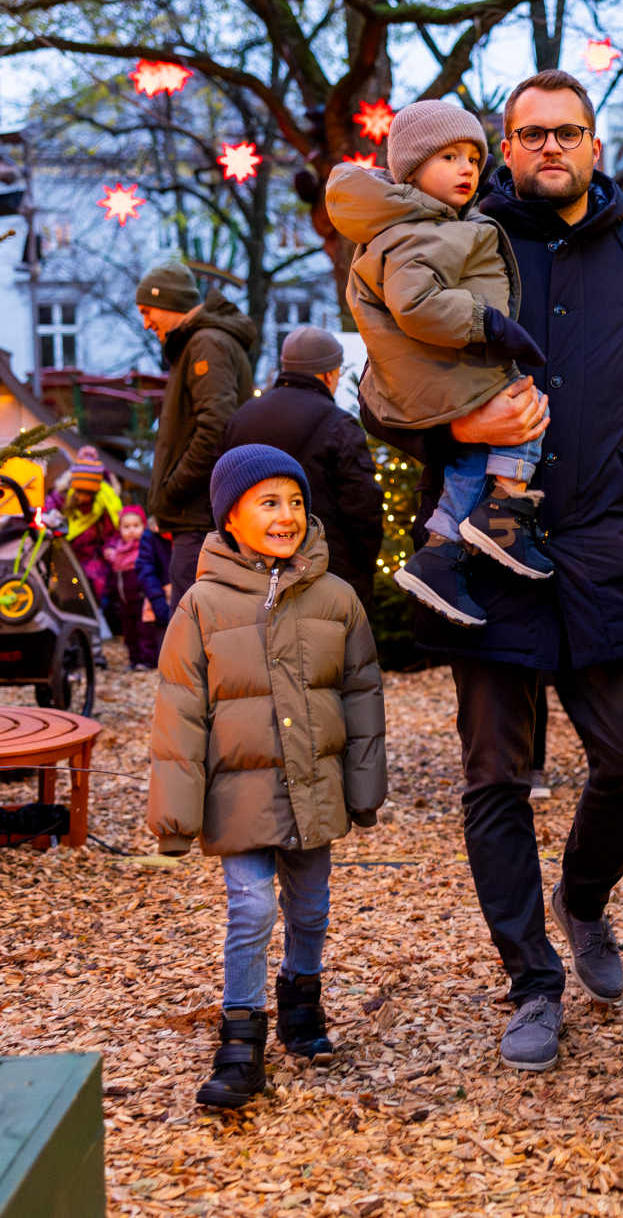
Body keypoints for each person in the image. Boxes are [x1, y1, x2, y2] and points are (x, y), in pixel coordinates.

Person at [360, 69, 623, 1073]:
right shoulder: (456, 239)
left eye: (567, 131)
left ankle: (584, 898)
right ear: (504, 149)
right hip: (488, 552)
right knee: (495, 779)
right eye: (529, 134)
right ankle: (530, 980)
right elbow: (377, 391)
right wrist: (453, 421)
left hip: (612, 548)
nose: (549, 148)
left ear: (594, 146)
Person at [148, 444, 387, 1110]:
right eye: (268, 502)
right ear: (229, 519)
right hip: (240, 794)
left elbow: (363, 694)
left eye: (296, 502)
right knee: (250, 906)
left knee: (309, 907)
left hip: (312, 789)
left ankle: (301, 1001)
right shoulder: (202, 605)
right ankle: (240, 1036)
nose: (287, 515)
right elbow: (179, 708)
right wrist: (176, 813)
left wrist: (364, 786)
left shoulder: (335, 599)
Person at [324, 100, 550, 627]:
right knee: (528, 410)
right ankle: (503, 509)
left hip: (439, 378)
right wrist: (487, 323)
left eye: (473, 157)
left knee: (470, 464)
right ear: (411, 170)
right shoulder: (416, 230)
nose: (467, 168)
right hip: (444, 377)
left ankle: (441, 551)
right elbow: (415, 302)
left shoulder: (427, 224)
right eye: (448, 157)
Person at [221, 325, 385, 612]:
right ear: (328, 374)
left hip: (251, 569)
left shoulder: (241, 419)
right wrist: (364, 565)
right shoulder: (339, 425)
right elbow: (364, 505)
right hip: (326, 572)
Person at [142, 262, 262, 607]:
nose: (146, 323)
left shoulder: (205, 344)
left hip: (198, 516)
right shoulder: (201, 342)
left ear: (169, 303)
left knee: (194, 628)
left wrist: (173, 489)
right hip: (201, 513)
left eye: (148, 311)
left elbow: (216, 427)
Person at [46, 445, 122, 609]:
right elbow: (50, 505)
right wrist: (50, 516)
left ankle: (94, 611)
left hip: (92, 553)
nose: (83, 498)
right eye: (80, 492)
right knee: (64, 584)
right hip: (65, 551)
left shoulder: (104, 501)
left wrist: (111, 547)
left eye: (87, 494)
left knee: (96, 582)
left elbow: (112, 531)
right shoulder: (64, 494)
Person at [105, 504, 170, 669]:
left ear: (143, 526)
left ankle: (148, 660)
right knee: (129, 631)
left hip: (142, 597)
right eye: (126, 527)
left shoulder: (143, 548)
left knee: (145, 631)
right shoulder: (117, 551)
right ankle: (134, 659)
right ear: (119, 529)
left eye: (136, 526)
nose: (131, 530)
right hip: (124, 599)